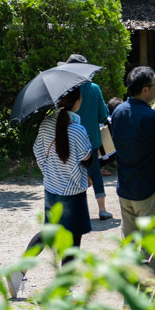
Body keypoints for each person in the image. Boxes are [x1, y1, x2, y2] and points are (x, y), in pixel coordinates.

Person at [7, 87, 93, 298]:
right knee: (73, 241)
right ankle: (65, 290)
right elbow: (87, 159)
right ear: (76, 102)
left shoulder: (46, 124)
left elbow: (38, 150)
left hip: (52, 188)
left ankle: (18, 273)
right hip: (73, 192)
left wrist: (49, 172)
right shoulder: (78, 129)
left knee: (47, 233)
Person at [111, 66, 155, 275]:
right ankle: (152, 294)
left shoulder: (119, 112)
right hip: (149, 191)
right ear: (144, 90)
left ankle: (129, 290)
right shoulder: (152, 119)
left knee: (130, 245)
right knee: (151, 245)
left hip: (126, 189)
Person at [59, 54, 113, 221]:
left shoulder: (65, 88)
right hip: (91, 141)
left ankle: (72, 210)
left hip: (68, 138)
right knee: (95, 173)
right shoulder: (94, 88)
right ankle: (102, 209)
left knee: (70, 175)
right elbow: (103, 116)